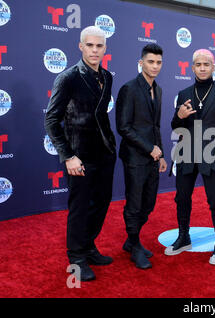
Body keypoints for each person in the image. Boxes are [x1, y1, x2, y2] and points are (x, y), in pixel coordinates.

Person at [44, 26, 116, 281]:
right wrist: (68, 156)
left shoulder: (107, 77)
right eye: (90, 45)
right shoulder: (68, 77)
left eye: (99, 46)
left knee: (102, 203)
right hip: (79, 156)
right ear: (81, 46)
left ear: (105, 48)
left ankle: (88, 246)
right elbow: (52, 120)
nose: (95, 50)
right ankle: (76, 257)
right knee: (80, 207)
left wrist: (111, 147)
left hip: (105, 154)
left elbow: (100, 117)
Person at [165, 49, 215, 266]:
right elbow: (176, 128)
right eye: (198, 64)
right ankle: (183, 236)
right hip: (187, 153)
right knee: (182, 197)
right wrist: (179, 116)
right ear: (192, 67)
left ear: (213, 67)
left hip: (213, 154)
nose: (202, 68)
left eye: (206, 64)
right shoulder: (184, 93)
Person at [115, 44, 167, 270]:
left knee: (149, 203)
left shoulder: (159, 89)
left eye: (158, 62)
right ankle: (135, 245)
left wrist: (161, 153)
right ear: (141, 63)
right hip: (135, 157)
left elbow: (155, 126)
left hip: (153, 157)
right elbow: (124, 127)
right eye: (150, 62)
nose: (155, 66)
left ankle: (130, 240)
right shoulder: (129, 89)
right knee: (134, 204)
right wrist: (149, 148)